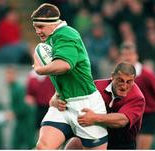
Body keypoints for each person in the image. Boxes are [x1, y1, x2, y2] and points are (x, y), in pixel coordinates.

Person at [31, 3, 108, 150]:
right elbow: (62, 77)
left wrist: (40, 70)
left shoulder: (66, 34)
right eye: (35, 27)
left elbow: (64, 65)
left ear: (53, 24)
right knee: (43, 147)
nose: (37, 31)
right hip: (62, 105)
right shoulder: (49, 40)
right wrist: (56, 94)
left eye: (40, 26)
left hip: (86, 105)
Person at [51, 62, 145, 149]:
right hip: (96, 136)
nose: (124, 86)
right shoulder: (96, 86)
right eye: (120, 80)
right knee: (75, 143)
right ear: (112, 76)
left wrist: (94, 118)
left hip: (122, 144)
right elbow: (68, 89)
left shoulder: (138, 97)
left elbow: (121, 121)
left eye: (129, 82)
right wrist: (55, 99)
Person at [120, 41, 155, 149]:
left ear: (136, 55)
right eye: (125, 55)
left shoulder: (146, 74)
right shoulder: (118, 76)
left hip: (147, 116)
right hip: (130, 117)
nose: (127, 57)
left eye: (130, 54)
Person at [5, 65, 36, 149]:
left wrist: (13, 113)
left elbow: (24, 104)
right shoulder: (12, 88)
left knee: (30, 143)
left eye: (10, 74)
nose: (8, 77)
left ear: (14, 75)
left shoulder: (18, 88)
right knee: (16, 143)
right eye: (7, 75)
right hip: (20, 120)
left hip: (26, 120)